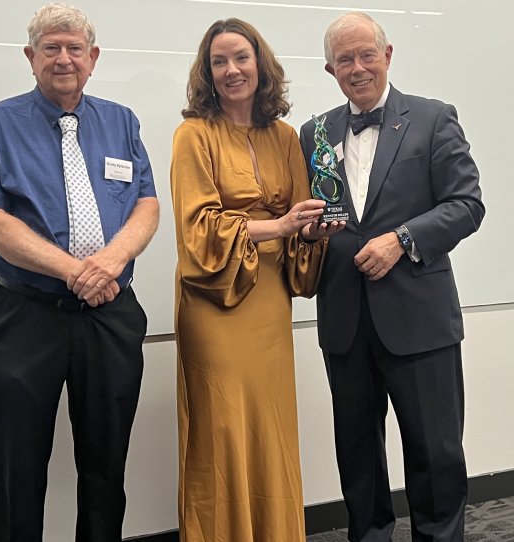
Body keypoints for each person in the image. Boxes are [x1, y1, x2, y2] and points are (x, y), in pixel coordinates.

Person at [0, 3, 159, 541]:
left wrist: (110, 263)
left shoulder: (121, 121)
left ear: (93, 58)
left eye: (74, 49)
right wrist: (75, 271)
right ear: (30, 57)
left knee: (106, 466)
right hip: (24, 316)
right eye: (51, 48)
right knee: (18, 472)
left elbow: (146, 205)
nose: (64, 59)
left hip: (110, 314)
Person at [300, 12, 485, 542]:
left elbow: (467, 205)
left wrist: (402, 239)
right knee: (356, 452)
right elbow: (314, 220)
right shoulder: (312, 133)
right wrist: (308, 233)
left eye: (366, 55)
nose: (357, 68)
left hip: (418, 320)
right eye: (344, 60)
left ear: (387, 55)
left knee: (435, 451)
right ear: (329, 68)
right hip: (344, 321)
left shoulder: (432, 118)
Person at [170, 18, 343, 542]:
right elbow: (198, 231)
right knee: (221, 431)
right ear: (207, 72)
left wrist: (311, 231)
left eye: (240, 57)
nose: (231, 70)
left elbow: (298, 228)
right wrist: (281, 224)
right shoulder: (192, 135)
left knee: (269, 429)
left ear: (259, 64)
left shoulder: (286, 136)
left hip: (268, 302)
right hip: (213, 303)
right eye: (218, 61)